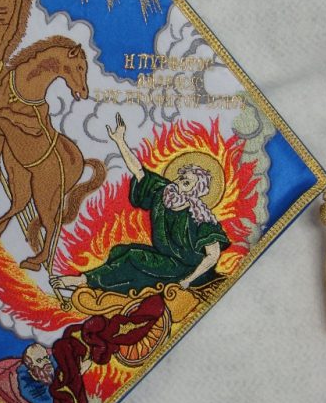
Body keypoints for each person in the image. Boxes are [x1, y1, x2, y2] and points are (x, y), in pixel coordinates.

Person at [51, 113, 230, 296]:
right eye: (180, 177)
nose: (178, 182)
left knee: (133, 257)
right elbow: (138, 171)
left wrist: (189, 280)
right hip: (165, 260)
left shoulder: (200, 217)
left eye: (186, 183)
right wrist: (120, 141)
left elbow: (213, 255)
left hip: (186, 269)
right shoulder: (163, 193)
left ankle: (83, 280)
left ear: (195, 191)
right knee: (120, 251)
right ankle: (108, 291)